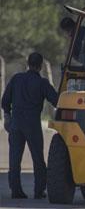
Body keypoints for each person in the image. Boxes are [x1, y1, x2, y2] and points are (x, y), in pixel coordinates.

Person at [2, 53, 59, 199]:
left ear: (28, 63)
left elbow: (5, 101)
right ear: (40, 66)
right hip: (32, 124)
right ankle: (39, 191)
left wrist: (8, 116)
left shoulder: (16, 79)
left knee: (14, 159)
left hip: (16, 123)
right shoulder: (42, 83)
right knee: (38, 159)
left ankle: (16, 190)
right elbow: (56, 100)